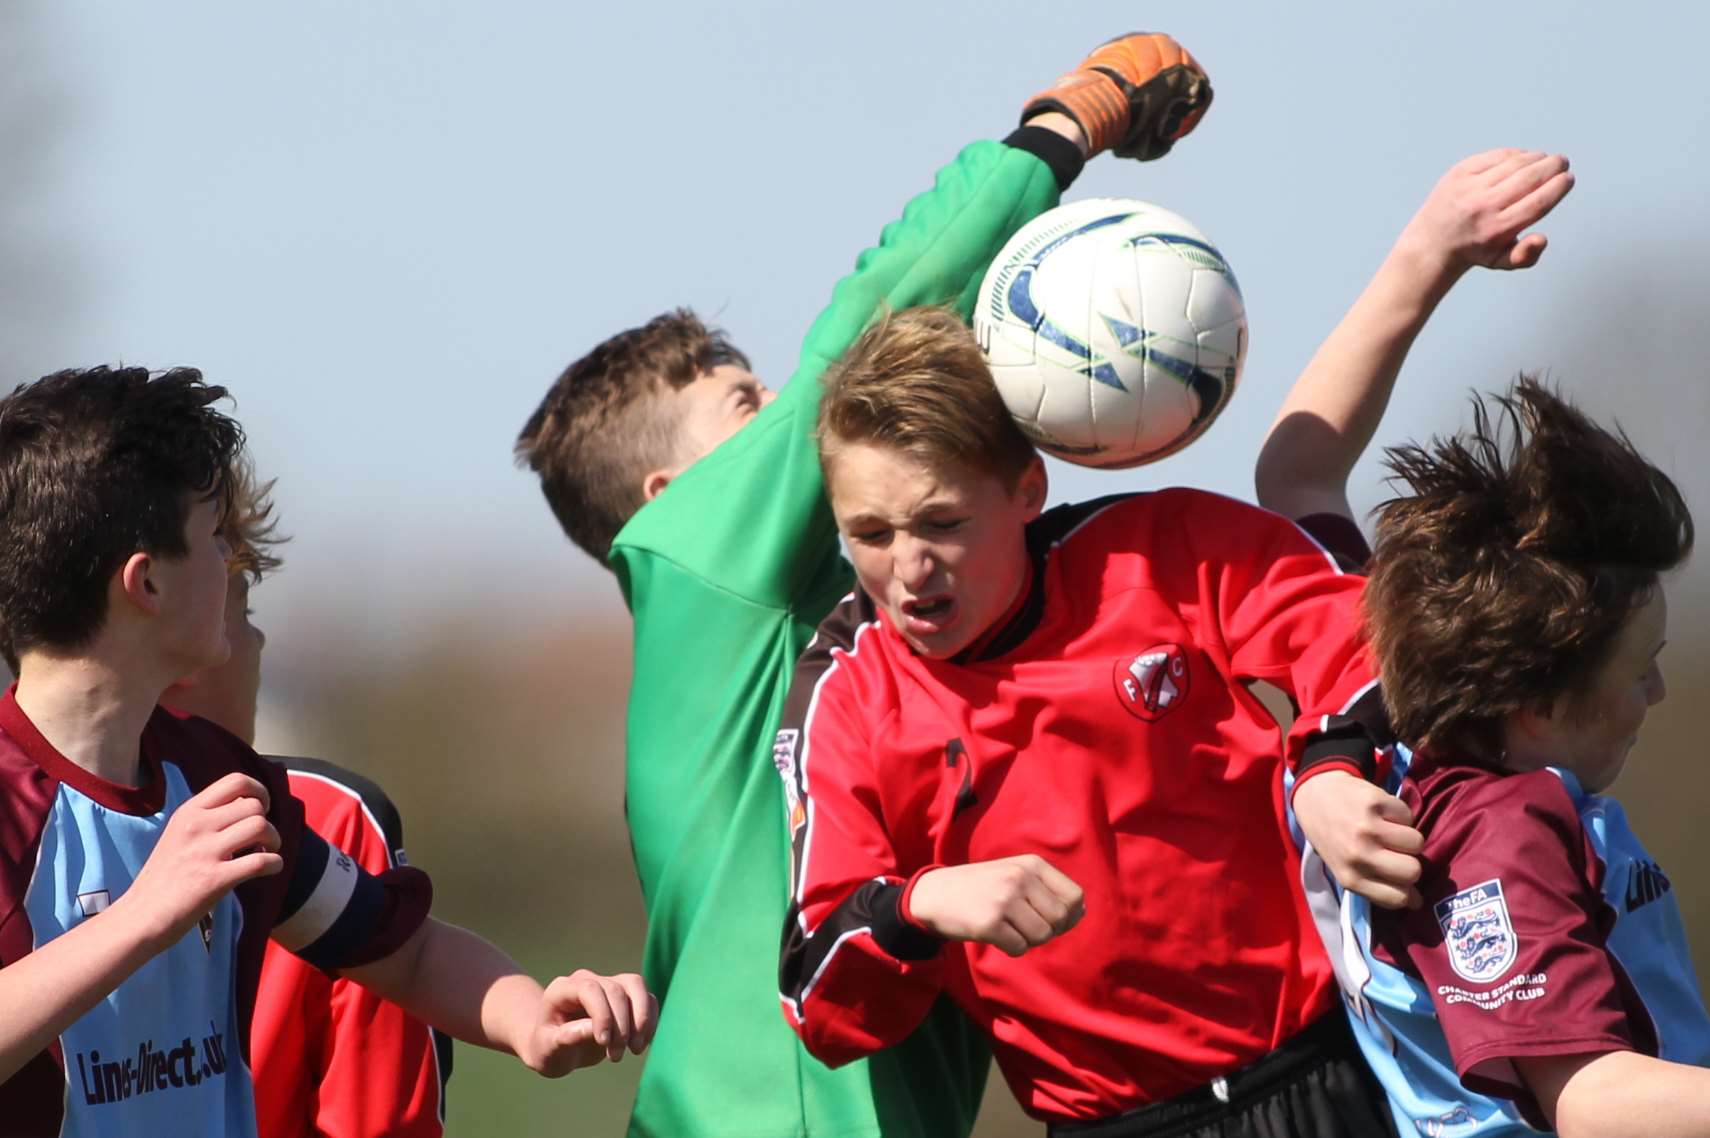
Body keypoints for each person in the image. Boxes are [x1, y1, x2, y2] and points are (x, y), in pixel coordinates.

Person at [516, 32, 1219, 1138]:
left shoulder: (814, 645)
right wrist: (1066, 127)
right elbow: (871, 324)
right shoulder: (693, 555)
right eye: (750, 407)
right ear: (672, 492)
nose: (803, 411)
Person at [772, 303, 1417, 1137]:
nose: (908, 566)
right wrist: (920, 904)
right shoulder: (846, 693)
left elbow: (1364, 634)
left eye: (942, 523)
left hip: (1334, 1072)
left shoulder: (1162, 549)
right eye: (870, 533)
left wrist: (1330, 768)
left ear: (1027, 491)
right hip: (1111, 1125)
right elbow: (816, 995)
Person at [0, 366, 654, 1137]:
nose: (230, 565)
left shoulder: (221, 778)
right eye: (215, 539)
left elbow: (403, 955)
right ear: (145, 585)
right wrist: (143, 914)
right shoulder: (13, 806)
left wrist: (529, 1016)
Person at [1347, 378, 1709, 1136]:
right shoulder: (1501, 840)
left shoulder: (1380, 735)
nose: (1659, 690)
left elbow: (1296, 479)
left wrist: (1425, 260)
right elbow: (1592, 1103)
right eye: (1640, 666)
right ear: (1536, 706)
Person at [161, 464, 453, 1138]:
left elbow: (416, 962)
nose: (257, 640)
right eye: (243, 606)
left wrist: (525, 1011)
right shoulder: (329, 816)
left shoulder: (306, 830)